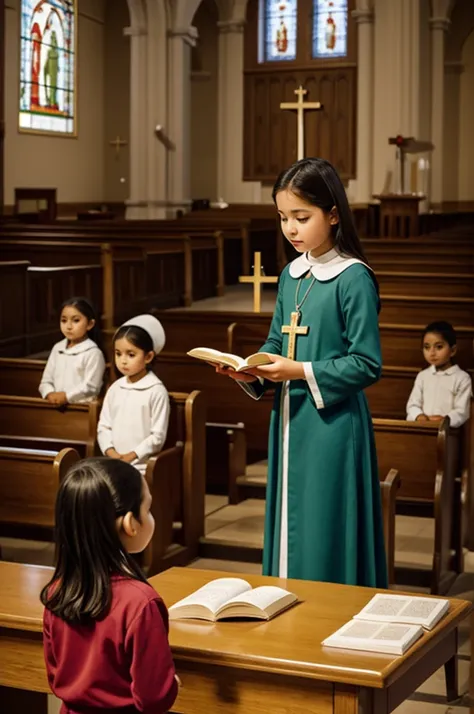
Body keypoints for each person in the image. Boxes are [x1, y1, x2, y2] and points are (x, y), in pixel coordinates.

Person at [215, 157, 387, 588]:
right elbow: (277, 341)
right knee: (291, 515)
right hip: (290, 418)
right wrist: (250, 370)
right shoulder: (292, 274)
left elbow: (367, 363)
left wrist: (300, 370)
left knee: (324, 522)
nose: (290, 229)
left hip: (332, 422)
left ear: (333, 214)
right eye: (282, 218)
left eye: (301, 217)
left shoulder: (352, 278)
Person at [41, 457, 179, 714]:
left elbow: (54, 674)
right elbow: (154, 697)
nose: (151, 516)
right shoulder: (140, 602)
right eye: (147, 509)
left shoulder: (56, 592)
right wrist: (173, 684)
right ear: (130, 524)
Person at [97, 314, 169, 473]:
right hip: (113, 462)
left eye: (131, 355)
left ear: (148, 356)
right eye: (118, 353)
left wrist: (131, 456)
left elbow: (157, 436)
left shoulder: (156, 390)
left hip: (142, 466)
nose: (123, 361)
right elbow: (104, 426)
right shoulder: (115, 388)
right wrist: (111, 452)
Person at [39, 297, 106, 405]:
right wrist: (49, 393)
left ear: (90, 324)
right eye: (64, 320)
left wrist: (66, 396)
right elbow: (46, 381)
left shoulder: (93, 353)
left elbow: (91, 387)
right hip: (53, 404)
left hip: (81, 408)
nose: (68, 326)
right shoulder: (57, 348)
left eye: (76, 320)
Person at [406, 321, 472, 428]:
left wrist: (445, 420)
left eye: (439, 347)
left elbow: (462, 411)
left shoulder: (462, 378)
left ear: (453, 350)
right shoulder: (423, 376)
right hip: (422, 427)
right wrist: (419, 416)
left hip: (448, 434)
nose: (432, 353)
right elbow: (412, 404)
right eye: (427, 347)